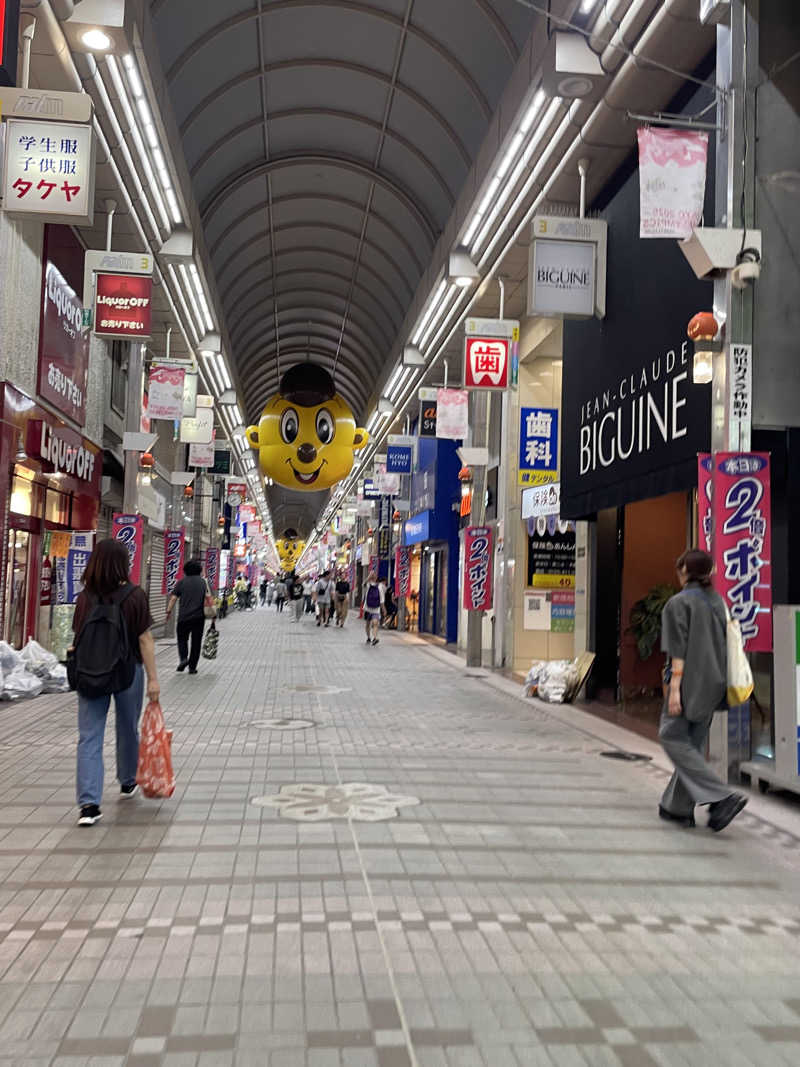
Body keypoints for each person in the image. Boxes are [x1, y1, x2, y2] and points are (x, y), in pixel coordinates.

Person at [71, 539, 160, 826]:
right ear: (123, 563)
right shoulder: (135, 595)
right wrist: (154, 680)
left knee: (89, 736)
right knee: (127, 728)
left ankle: (88, 805)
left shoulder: (85, 597)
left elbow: (77, 635)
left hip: (90, 671)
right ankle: (127, 781)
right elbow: (145, 640)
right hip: (127, 672)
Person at [658, 548, 748, 832]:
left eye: (680, 567)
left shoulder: (678, 603)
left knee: (671, 735)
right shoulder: (717, 601)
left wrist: (674, 689)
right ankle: (677, 807)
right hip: (716, 684)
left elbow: (677, 651)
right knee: (692, 744)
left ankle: (722, 797)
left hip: (690, 684)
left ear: (686, 571)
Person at [166, 558, 207, 675]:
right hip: (199, 618)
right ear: (199, 570)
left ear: (185, 570)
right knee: (196, 642)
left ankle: (183, 658)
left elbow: (173, 598)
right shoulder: (203, 582)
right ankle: (192, 667)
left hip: (183, 617)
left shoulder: (181, 582)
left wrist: (168, 611)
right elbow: (209, 599)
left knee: (182, 639)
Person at [363, 572, 383, 645]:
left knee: (375, 623)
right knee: (368, 624)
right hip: (367, 608)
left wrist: (383, 608)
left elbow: (381, 599)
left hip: (376, 609)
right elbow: (363, 584)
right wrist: (368, 577)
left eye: (374, 575)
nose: (373, 576)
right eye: (372, 575)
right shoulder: (368, 584)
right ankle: (368, 637)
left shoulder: (380, 586)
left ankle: (375, 638)